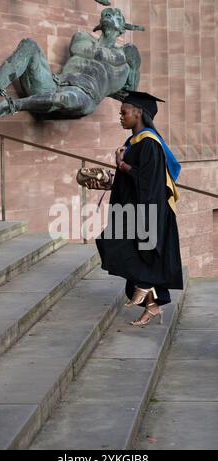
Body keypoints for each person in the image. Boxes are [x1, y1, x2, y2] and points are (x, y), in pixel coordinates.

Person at [96, 91, 183, 327]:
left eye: (124, 112)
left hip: (148, 212)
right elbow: (133, 180)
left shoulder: (150, 144)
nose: (120, 117)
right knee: (119, 247)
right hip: (133, 210)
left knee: (119, 246)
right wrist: (108, 180)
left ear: (138, 113)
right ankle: (152, 305)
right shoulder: (133, 143)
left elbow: (149, 183)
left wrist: (123, 166)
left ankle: (144, 283)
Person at [0, 8, 144, 124]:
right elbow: (80, 49)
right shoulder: (83, 38)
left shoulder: (125, 61)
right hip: (54, 84)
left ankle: (7, 107)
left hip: (84, 96)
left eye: (116, 14)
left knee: (64, 98)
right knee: (29, 44)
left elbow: (130, 91)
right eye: (106, 13)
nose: (109, 14)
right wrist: (115, 56)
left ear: (123, 27)